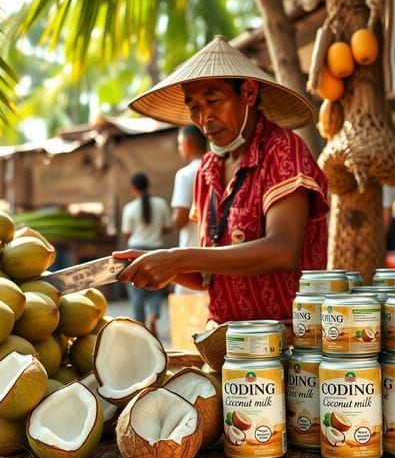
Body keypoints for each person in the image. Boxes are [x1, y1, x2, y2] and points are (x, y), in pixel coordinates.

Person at [117, 36, 328, 327]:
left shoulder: (282, 150)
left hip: (290, 339)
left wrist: (178, 258)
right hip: (227, 340)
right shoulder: (207, 170)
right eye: (194, 108)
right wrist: (159, 264)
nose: (204, 118)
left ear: (249, 92)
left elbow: (283, 250)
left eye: (213, 101)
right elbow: (209, 277)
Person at [121, 172, 172, 332]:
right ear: (148, 185)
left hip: (135, 251)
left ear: (133, 188)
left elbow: (127, 233)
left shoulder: (129, 208)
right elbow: (168, 227)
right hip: (155, 249)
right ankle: (153, 316)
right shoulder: (161, 204)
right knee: (156, 285)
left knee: (136, 290)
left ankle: (141, 324)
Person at [171, 124, 207, 290]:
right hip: (215, 255)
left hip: (190, 255)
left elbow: (180, 218)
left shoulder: (185, 174)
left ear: (187, 143)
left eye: (179, 144)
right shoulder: (218, 167)